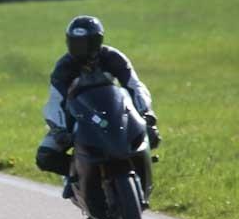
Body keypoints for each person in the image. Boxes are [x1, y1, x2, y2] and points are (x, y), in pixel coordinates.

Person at [36, 15, 161, 196]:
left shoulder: (113, 57)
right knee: (45, 156)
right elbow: (55, 101)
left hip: (114, 111)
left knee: (150, 136)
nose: (80, 48)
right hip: (76, 115)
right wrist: (59, 130)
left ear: (97, 41)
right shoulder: (64, 66)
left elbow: (135, 86)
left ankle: (142, 176)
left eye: (86, 42)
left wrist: (147, 114)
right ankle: (75, 175)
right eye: (75, 42)